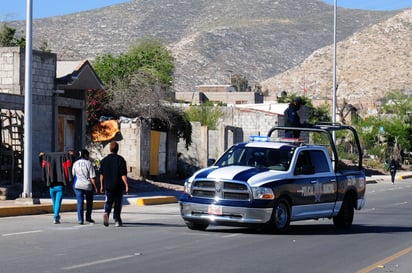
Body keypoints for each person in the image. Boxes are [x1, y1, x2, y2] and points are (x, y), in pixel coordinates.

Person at [39, 151, 75, 224]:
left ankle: (56, 216)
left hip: (51, 187)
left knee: (54, 202)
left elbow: (42, 165)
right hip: (60, 187)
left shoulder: (47, 159)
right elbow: (70, 164)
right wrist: (72, 156)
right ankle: (56, 216)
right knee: (57, 202)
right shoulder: (64, 159)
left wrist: (40, 157)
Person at [99, 141, 129, 227]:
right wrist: (126, 185)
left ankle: (106, 213)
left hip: (108, 185)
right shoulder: (121, 160)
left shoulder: (104, 161)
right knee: (117, 203)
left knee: (108, 201)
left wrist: (101, 185)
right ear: (117, 149)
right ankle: (117, 219)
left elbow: (102, 174)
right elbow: (123, 174)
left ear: (110, 149)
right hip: (118, 186)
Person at [72, 149, 98, 225]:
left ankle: (80, 219)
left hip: (77, 185)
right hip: (87, 186)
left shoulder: (75, 163)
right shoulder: (89, 163)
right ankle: (88, 217)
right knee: (89, 202)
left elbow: (73, 174)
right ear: (86, 155)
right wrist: (96, 187)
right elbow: (92, 177)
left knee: (80, 202)